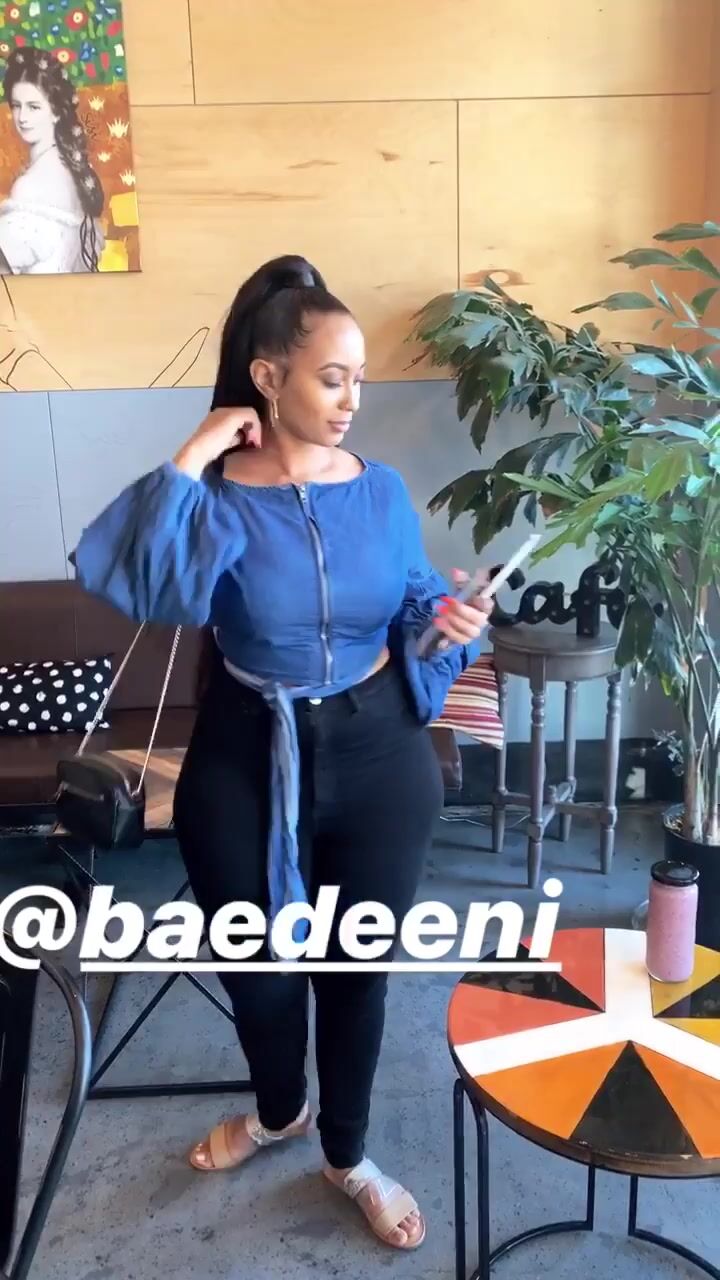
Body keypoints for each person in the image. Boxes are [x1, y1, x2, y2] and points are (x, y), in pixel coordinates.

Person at [71, 255, 491, 1252]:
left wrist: (449, 617)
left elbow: (411, 604)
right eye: (331, 378)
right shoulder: (213, 498)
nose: (352, 400)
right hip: (247, 750)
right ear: (268, 376)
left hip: (380, 752)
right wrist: (197, 447)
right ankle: (279, 1109)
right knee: (257, 969)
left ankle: (347, 1153)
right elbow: (128, 573)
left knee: (357, 971)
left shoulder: (380, 490)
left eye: (358, 380)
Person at [0, 46, 104, 275]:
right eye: (16, 106)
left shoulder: (30, 185)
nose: (22, 117)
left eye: (33, 107)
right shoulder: (70, 168)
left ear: (56, 111)